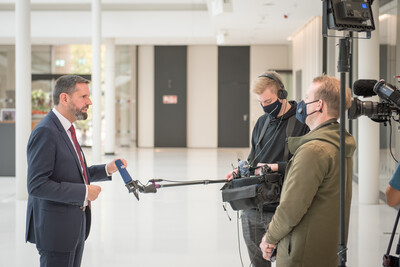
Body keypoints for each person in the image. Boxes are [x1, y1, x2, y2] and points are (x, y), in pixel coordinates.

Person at [25, 75, 127, 267]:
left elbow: (74, 171)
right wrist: (84, 192)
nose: (89, 102)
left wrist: (108, 169)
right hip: (55, 230)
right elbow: (36, 185)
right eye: (83, 97)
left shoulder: (66, 129)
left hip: (73, 225)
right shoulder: (46, 131)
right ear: (65, 98)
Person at [259, 75, 356, 267]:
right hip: (324, 248)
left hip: (302, 254)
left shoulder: (314, 150)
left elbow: (290, 209)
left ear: (318, 105)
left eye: (306, 97)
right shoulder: (339, 143)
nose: (302, 103)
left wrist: (269, 238)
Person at [225, 71, 309, 267]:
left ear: (282, 93)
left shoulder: (302, 123)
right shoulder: (262, 123)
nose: (265, 106)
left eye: (269, 101)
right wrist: (239, 172)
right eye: (260, 102)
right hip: (253, 209)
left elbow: (306, 168)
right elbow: (252, 159)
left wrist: (275, 167)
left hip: (283, 210)